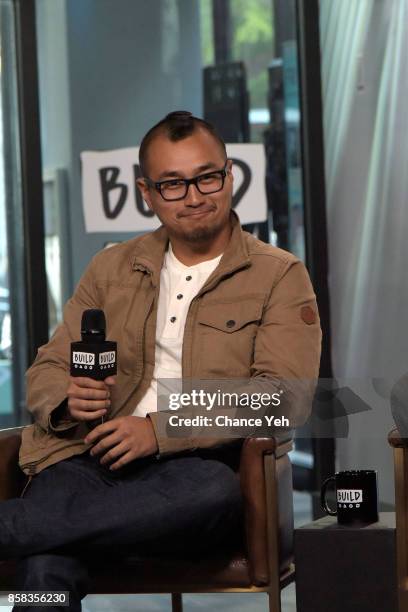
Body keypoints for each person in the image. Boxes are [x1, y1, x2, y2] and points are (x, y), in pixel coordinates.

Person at [0, 111, 321, 611]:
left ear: (229, 175)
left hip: (196, 473)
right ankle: (41, 534)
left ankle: (15, 528)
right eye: (172, 184)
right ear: (146, 193)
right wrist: (68, 398)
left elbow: (285, 398)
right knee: (46, 566)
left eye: (206, 177)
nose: (193, 196)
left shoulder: (279, 275)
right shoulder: (110, 267)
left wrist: (160, 429)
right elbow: (45, 370)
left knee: (211, 490)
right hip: (90, 459)